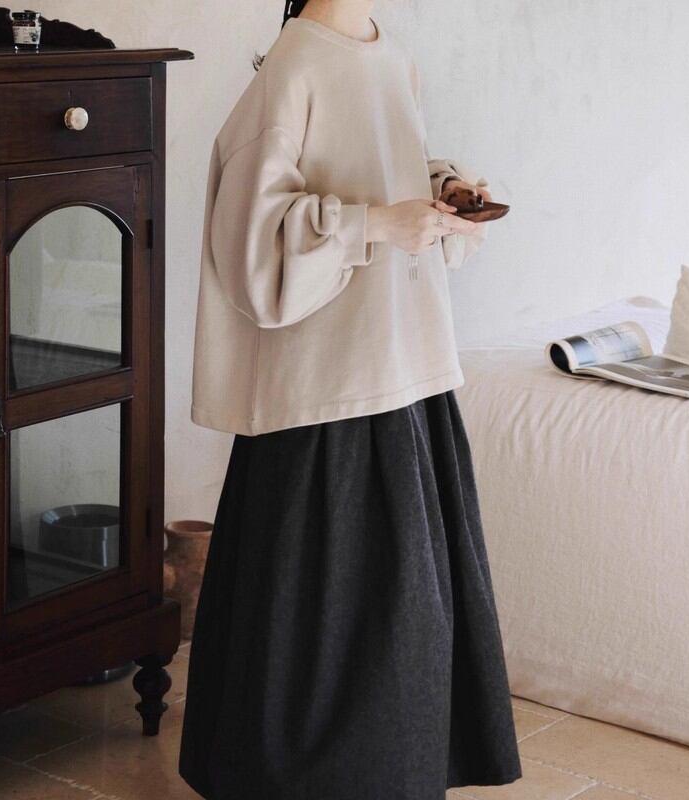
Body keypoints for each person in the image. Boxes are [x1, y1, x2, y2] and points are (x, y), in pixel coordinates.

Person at [179, 1, 522, 797]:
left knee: (407, 613)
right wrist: (375, 225)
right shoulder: (295, 65)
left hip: (403, 365)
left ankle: (398, 773)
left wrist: (441, 188)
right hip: (327, 392)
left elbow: (383, 166)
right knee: (338, 615)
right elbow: (249, 236)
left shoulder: (391, 57)